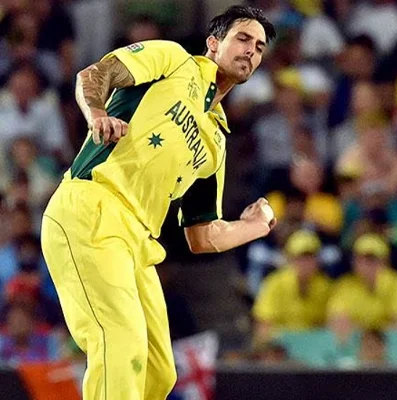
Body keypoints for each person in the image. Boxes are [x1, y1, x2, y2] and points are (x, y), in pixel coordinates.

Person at [40, 6, 276, 400]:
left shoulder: (215, 141)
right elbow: (94, 75)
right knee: (120, 341)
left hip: (138, 241)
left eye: (259, 47)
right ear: (213, 43)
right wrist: (97, 113)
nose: (251, 50)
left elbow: (201, 236)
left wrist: (257, 225)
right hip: (91, 208)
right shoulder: (173, 61)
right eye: (242, 38)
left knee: (158, 370)